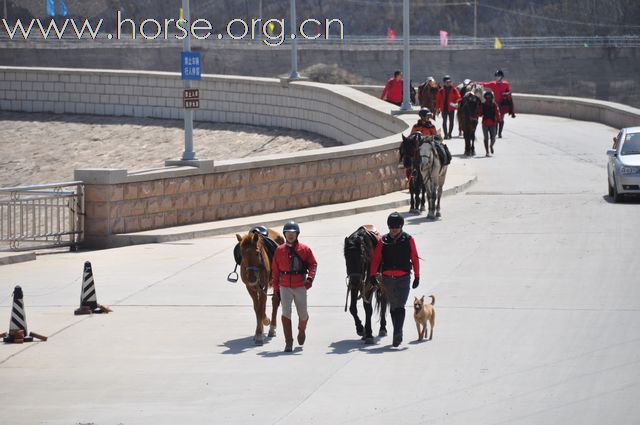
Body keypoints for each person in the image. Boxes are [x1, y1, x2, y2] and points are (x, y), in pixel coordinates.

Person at [369, 212, 420, 347]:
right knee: (393, 306)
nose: (394, 230)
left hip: (403, 277)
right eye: (392, 227)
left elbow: (414, 258)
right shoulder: (383, 241)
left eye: (396, 227)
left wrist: (417, 276)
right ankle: (397, 333)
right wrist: (372, 275)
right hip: (387, 279)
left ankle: (398, 332)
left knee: (400, 306)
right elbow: (376, 259)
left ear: (401, 226)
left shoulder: (408, 239)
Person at [271, 221, 318, 353]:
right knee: (286, 313)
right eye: (288, 233)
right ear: (284, 234)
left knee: (303, 315)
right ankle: (289, 342)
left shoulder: (305, 249)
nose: (290, 235)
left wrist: (310, 279)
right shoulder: (279, 250)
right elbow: (275, 271)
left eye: (293, 233)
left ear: (297, 234)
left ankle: (301, 330)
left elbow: (313, 264)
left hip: (300, 285)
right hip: (284, 286)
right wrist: (276, 289)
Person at [480, 70, 516, 138]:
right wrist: (475, 83)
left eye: (498, 76)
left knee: (501, 118)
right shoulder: (493, 84)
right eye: (496, 76)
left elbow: (509, 91)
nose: (497, 77)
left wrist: (506, 93)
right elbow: (484, 84)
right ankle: (495, 132)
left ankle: (500, 133)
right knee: (496, 118)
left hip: (503, 103)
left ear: (501, 77)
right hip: (495, 103)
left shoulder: (506, 84)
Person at [435, 75, 461, 140]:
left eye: (449, 82)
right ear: (444, 82)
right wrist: (437, 108)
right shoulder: (441, 91)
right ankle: (446, 134)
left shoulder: (454, 90)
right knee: (444, 121)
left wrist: (456, 103)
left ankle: (450, 134)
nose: (448, 83)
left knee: (451, 122)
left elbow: (458, 97)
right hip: (443, 108)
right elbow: (437, 100)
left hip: (451, 108)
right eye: (447, 82)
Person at [479, 90, 502, 157]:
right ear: (485, 97)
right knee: (486, 138)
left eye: (489, 97)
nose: (488, 98)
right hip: (485, 123)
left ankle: (491, 145)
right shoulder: (483, 105)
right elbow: (480, 114)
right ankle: (487, 152)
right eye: (487, 97)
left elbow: (498, 113)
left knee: (493, 138)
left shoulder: (494, 105)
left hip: (493, 123)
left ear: (492, 97)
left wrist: (499, 119)